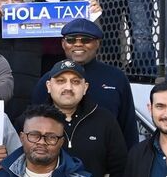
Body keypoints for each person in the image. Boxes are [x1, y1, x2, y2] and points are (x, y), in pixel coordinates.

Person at [30, 19, 139, 149]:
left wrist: (131, 159)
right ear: (63, 44)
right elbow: (33, 123)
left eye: (86, 40)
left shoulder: (116, 78)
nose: (78, 44)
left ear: (97, 43)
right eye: (71, 40)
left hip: (106, 157)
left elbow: (128, 127)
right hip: (57, 156)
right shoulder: (48, 79)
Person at [23, 0, 99, 74]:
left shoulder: (82, 1)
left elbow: (96, 35)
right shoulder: (26, 4)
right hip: (35, 69)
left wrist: (95, 15)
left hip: (74, 67)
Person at [0, 0, 44, 123]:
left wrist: (91, 12)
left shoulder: (38, 27)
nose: (10, 3)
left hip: (29, 106)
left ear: (23, 2)